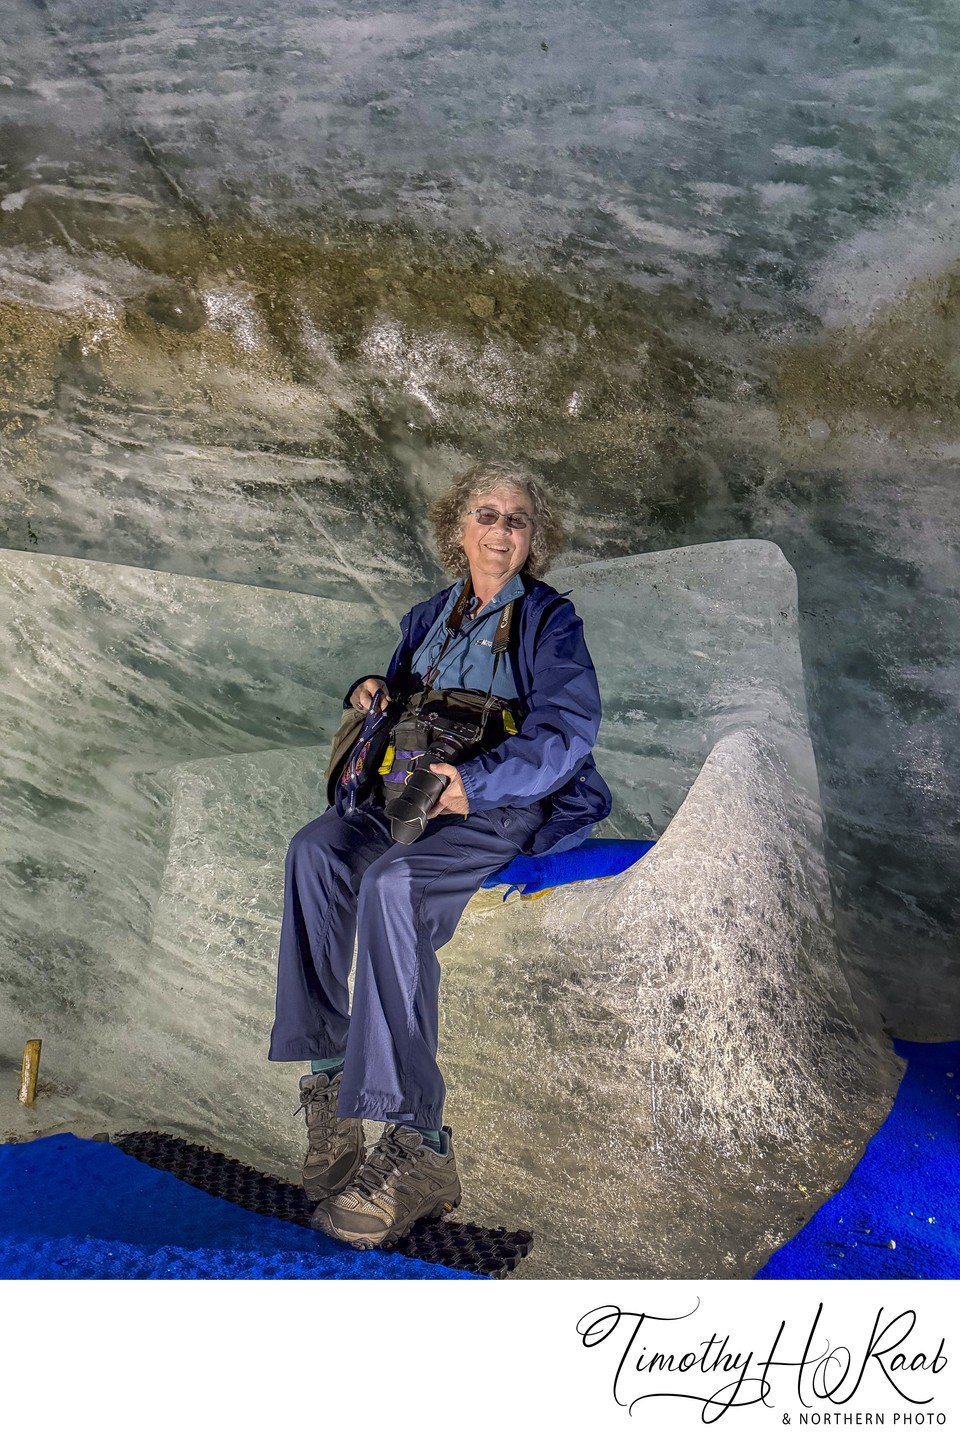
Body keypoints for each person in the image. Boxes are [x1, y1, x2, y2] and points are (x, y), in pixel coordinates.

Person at [269, 459, 611, 1249]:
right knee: (315, 852)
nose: (500, 529)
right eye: (485, 514)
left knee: (393, 885)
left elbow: (568, 733)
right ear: (459, 530)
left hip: (497, 802)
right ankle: (330, 1096)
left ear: (534, 539)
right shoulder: (430, 616)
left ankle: (419, 1144)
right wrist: (370, 692)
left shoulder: (549, 623)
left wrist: (477, 783)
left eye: (516, 519)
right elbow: (397, 696)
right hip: (406, 796)